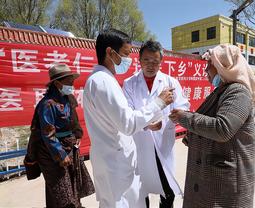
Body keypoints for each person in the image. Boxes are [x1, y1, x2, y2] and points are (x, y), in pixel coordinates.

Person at [83, 29, 175, 208]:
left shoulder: (101, 80)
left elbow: (120, 119)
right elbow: (127, 122)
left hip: (118, 157)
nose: (128, 60)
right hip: (116, 162)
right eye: (125, 54)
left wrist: (149, 123)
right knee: (121, 202)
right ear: (110, 52)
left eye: (155, 61)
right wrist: (158, 103)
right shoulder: (104, 82)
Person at [169, 44, 255, 208]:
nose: (205, 70)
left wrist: (184, 118)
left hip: (224, 183)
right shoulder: (222, 90)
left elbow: (223, 129)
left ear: (223, 65)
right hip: (210, 176)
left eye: (209, 64)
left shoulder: (238, 92)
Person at [123, 40, 190, 208]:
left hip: (162, 143)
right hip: (139, 143)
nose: (150, 65)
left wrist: (168, 118)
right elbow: (128, 112)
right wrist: (146, 124)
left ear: (161, 62)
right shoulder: (129, 83)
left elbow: (182, 107)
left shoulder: (170, 82)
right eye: (146, 60)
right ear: (139, 60)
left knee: (167, 189)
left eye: (155, 61)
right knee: (140, 189)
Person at [24, 64, 95, 208]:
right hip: (49, 151)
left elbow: (73, 120)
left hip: (67, 145)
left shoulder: (67, 98)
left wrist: (77, 134)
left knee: (72, 186)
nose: (71, 85)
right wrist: (61, 154)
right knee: (62, 190)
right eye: (69, 82)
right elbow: (48, 133)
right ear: (57, 83)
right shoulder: (47, 104)